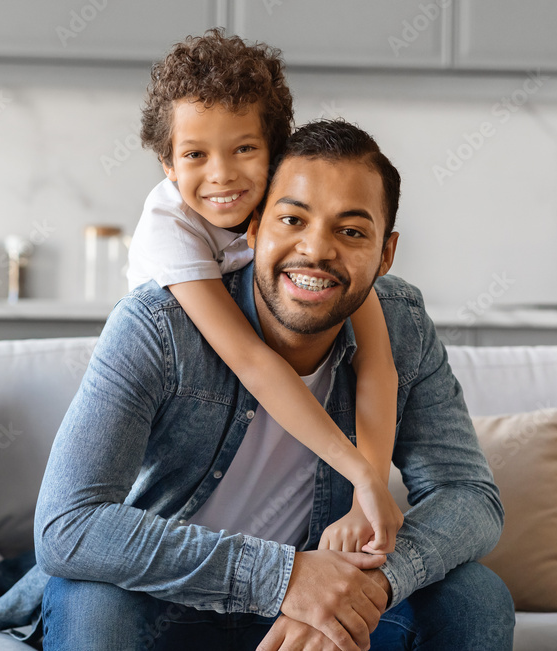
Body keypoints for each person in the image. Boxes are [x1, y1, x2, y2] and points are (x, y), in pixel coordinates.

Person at [23, 119, 515, 650]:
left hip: (315, 618)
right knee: (93, 602)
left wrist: (365, 585)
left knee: (475, 597)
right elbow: (68, 525)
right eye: (292, 218)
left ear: (386, 253)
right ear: (253, 228)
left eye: (351, 231)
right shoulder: (158, 327)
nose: (317, 250)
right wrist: (285, 578)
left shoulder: (401, 327)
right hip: (168, 601)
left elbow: (468, 494)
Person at [128, 29, 402, 556]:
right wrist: (356, 470)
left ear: (276, 154)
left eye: (245, 149)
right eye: (194, 155)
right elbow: (250, 360)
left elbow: (378, 364)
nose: (222, 174)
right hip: (177, 416)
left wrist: (366, 493)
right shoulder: (169, 228)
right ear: (167, 165)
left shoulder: (292, 222)